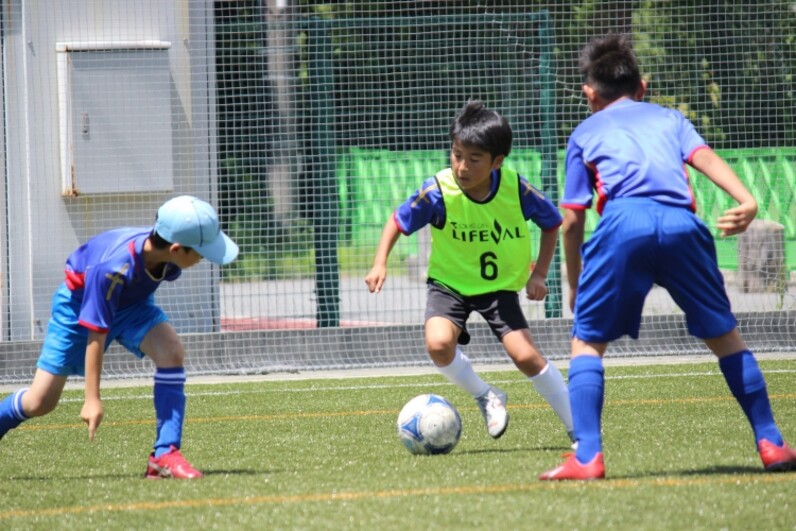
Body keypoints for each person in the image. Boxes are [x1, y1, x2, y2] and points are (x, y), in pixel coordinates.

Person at [539, 34, 796, 480]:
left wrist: (576, 285)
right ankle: (772, 443)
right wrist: (747, 200)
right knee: (727, 339)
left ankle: (588, 457)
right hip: (682, 224)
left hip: (622, 226)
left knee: (587, 343)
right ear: (643, 86)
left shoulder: (584, 133)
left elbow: (573, 220)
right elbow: (704, 158)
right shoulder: (671, 118)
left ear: (589, 94)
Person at [365, 100, 574, 445]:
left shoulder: (515, 189)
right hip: (449, 286)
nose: (462, 166)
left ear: (497, 161)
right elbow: (397, 221)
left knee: (525, 356)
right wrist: (379, 262)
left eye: (474, 159)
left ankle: (578, 429)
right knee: (438, 344)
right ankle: (486, 395)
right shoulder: (438, 191)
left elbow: (552, 223)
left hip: (498, 289)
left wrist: (540, 274)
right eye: (457, 154)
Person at [0, 195, 238, 479]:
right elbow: (96, 335)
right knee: (39, 402)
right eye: (201, 253)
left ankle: (164, 455)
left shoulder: (167, 257)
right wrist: (92, 398)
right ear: (176, 249)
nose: (203, 259)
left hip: (131, 305)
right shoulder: (112, 269)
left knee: (171, 350)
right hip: (79, 307)